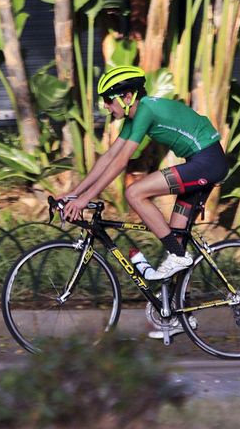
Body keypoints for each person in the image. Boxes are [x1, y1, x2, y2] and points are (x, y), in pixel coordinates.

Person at [62, 65, 229, 283]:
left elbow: (121, 162)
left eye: (108, 99)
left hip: (208, 162)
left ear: (127, 96)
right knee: (175, 241)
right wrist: (74, 194)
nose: (105, 106)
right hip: (200, 162)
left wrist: (85, 200)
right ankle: (178, 311)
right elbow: (109, 156)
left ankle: (178, 257)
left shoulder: (145, 112)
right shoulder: (135, 116)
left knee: (134, 192)